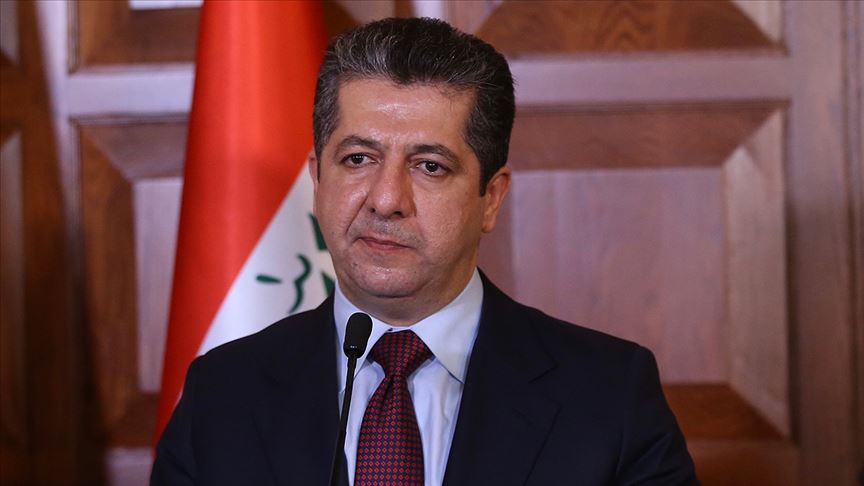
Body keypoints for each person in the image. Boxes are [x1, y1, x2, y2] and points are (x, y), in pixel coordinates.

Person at [152, 17, 699, 486]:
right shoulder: (221, 395)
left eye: (429, 166)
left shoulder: (609, 396)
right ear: (317, 181)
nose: (386, 200)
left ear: (491, 198)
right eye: (358, 159)